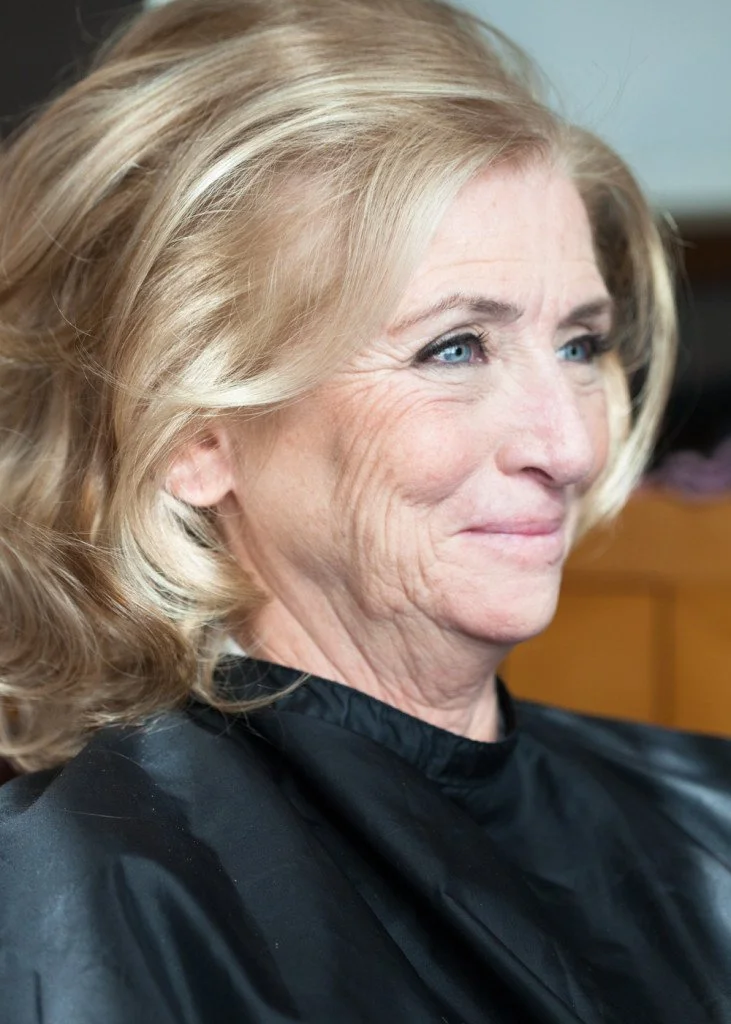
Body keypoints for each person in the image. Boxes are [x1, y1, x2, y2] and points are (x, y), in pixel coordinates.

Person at [0, 0, 729, 1021]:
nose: (570, 445)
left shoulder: (706, 820)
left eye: (578, 344)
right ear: (192, 432)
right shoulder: (80, 904)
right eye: (453, 349)